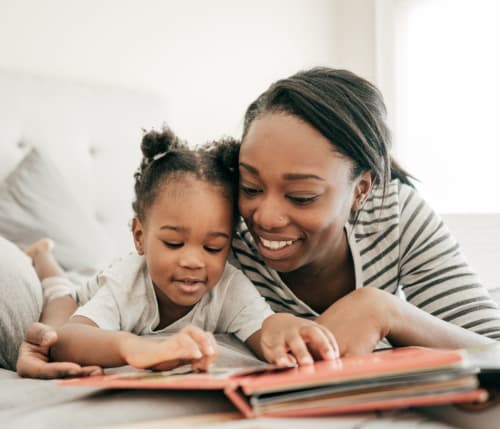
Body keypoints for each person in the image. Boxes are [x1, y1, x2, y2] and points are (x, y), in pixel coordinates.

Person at [17, 67, 500, 378]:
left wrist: (384, 309)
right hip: (94, 284)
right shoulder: (217, 234)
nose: (264, 217)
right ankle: (45, 257)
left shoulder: (398, 217)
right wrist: (50, 338)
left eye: (301, 195)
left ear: (362, 189)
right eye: (250, 186)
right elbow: (123, 306)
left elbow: (491, 346)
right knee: (64, 286)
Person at [16, 127, 338, 377]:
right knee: (57, 304)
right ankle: (43, 255)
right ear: (140, 236)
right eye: (173, 243)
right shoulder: (126, 284)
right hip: (83, 293)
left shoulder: (229, 286)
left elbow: (263, 327)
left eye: (213, 247)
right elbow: (70, 339)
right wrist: (134, 347)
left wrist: (287, 327)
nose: (193, 261)